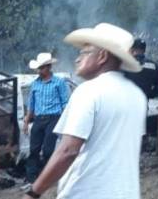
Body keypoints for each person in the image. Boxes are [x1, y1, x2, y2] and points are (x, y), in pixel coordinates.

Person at [22, 23, 147, 199]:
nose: (77, 59)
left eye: (84, 52)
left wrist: (34, 193)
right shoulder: (137, 96)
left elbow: (68, 151)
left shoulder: (89, 91)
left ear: (102, 56)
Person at [22, 52, 69, 186]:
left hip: (53, 118)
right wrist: (26, 122)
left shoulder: (59, 82)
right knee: (34, 149)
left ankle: (47, 176)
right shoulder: (35, 84)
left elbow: (65, 103)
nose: (39, 71)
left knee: (48, 150)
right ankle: (31, 178)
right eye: (39, 68)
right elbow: (31, 105)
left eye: (41, 68)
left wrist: (66, 120)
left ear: (48, 67)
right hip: (39, 118)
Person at [124, 39, 158, 138]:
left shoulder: (124, 65)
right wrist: (149, 94)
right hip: (143, 102)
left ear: (132, 50)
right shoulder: (153, 66)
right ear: (144, 50)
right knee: (141, 129)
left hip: (125, 104)